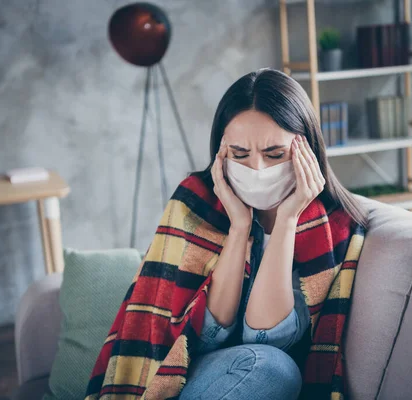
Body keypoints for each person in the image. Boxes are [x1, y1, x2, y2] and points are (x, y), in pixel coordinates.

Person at [85, 68, 367, 400]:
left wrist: (289, 219)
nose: (257, 170)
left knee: (272, 367)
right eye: (240, 154)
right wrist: (239, 227)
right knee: (267, 367)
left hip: (258, 379)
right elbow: (204, 337)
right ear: (222, 153)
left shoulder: (333, 227)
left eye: (275, 154)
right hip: (187, 376)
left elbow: (266, 336)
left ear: (307, 150)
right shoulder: (195, 204)